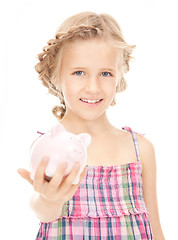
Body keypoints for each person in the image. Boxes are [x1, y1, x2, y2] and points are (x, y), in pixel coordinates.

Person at [18, 12, 165, 239]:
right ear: (56, 76)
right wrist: (49, 198)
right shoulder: (49, 146)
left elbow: (154, 229)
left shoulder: (141, 150)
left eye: (105, 73)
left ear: (119, 77)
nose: (93, 88)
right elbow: (44, 212)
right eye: (79, 72)